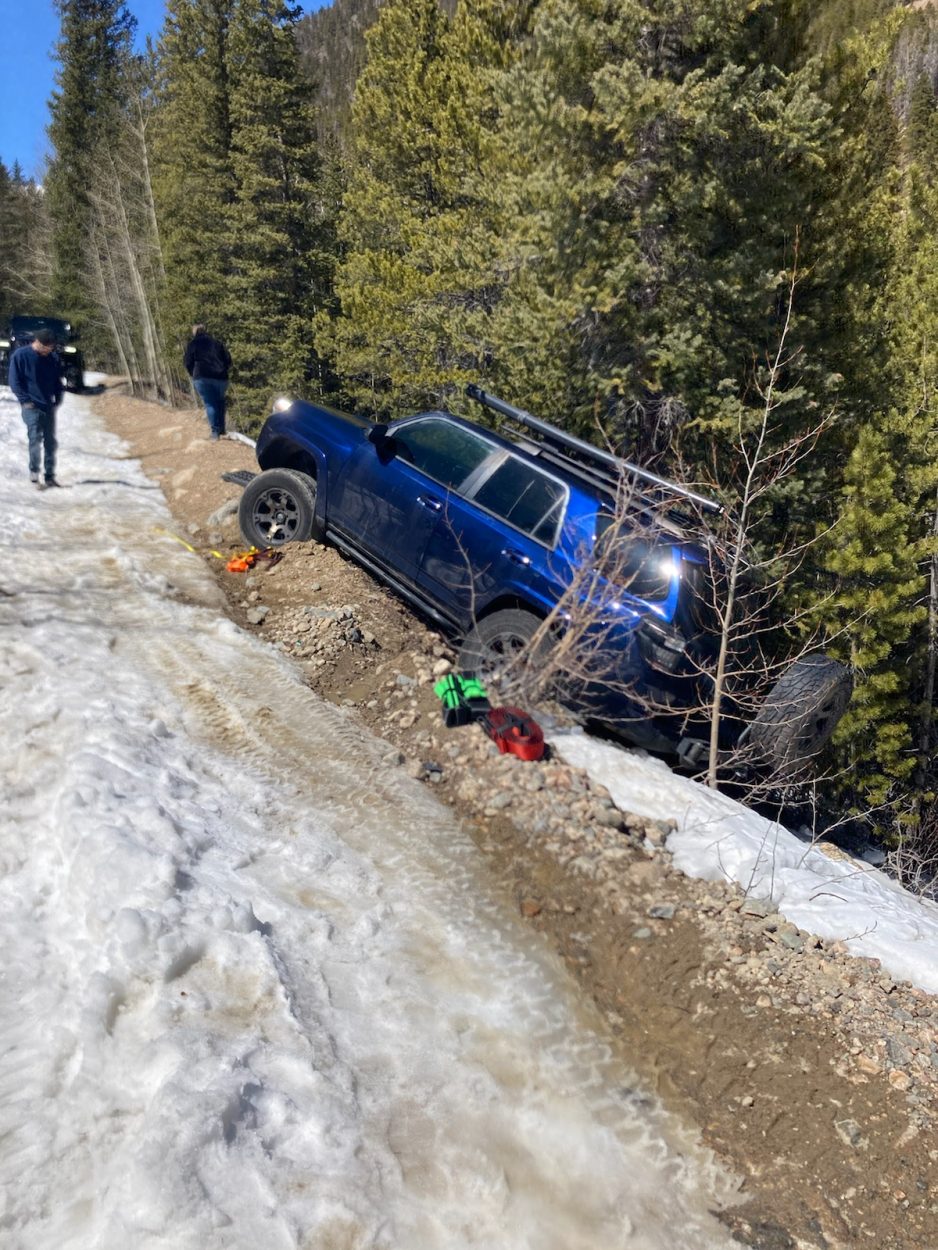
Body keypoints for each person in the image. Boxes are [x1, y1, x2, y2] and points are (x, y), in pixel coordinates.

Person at [8, 329, 64, 488]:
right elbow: (14, 381)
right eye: (47, 347)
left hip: (48, 406)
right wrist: (25, 401)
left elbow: (57, 381)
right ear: (38, 343)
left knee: (50, 442)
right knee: (35, 440)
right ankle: (34, 475)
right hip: (31, 407)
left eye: (52, 348)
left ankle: (50, 477)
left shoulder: (52, 358)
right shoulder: (20, 355)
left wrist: (58, 398)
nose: (49, 350)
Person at [184, 324, 231, 440]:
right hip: (221, 377)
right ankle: (222, 429)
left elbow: (187, 362)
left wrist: (193, 373)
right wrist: (223, 369)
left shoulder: (193, 344)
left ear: (195, 332)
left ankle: (215, 432)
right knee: (220, 402)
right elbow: (228, 360)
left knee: (210, 403)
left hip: (202, 376)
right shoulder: (217, 343)